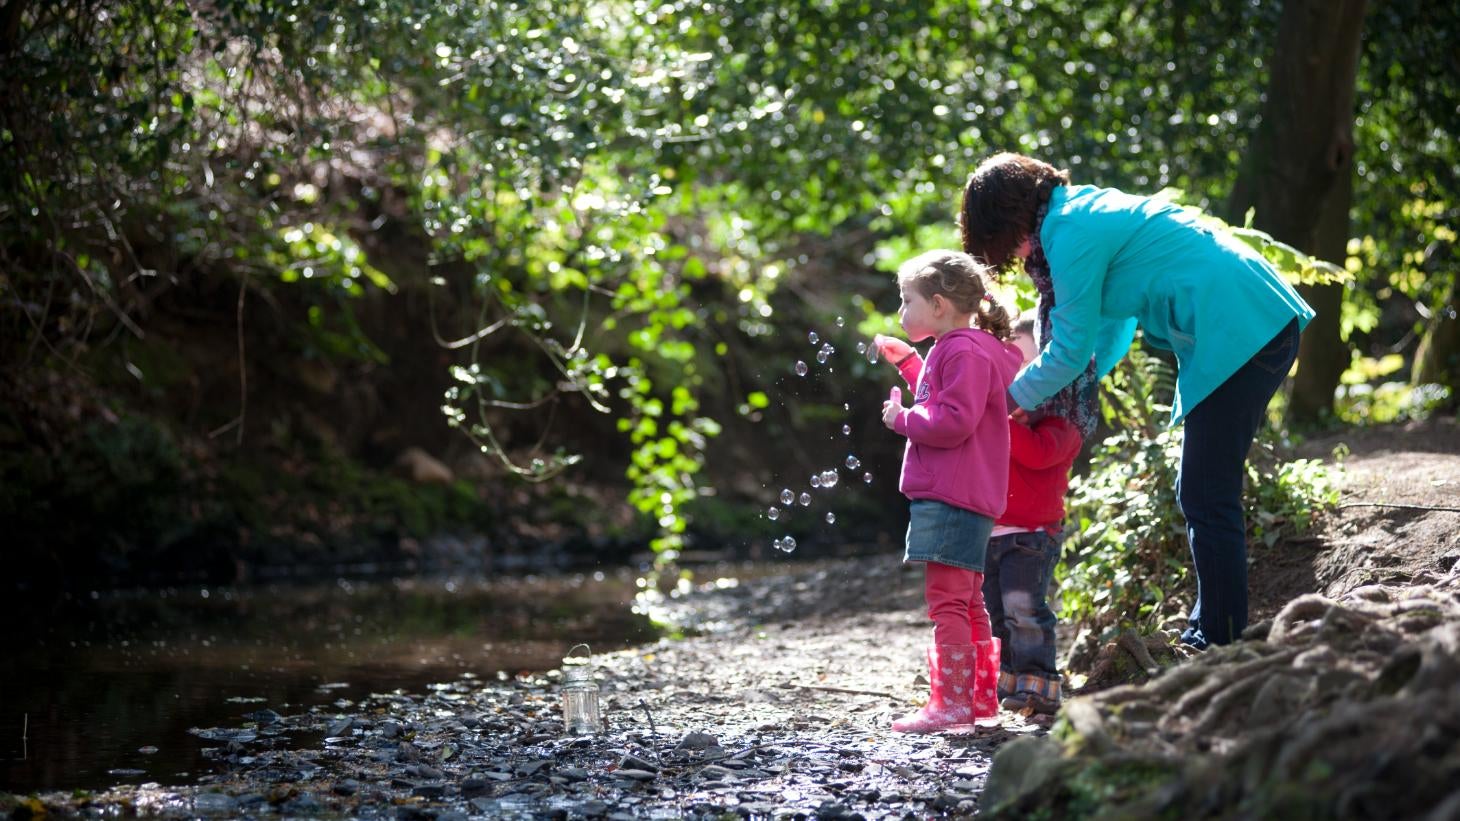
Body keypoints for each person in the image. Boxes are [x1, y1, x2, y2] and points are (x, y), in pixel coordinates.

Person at [959, 152, 1314, 649]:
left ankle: (1219, 639)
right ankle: (1210, 629)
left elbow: (1069, 349)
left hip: (1240, 324)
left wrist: (1004, 399)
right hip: (1243, 322)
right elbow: (1110, 330)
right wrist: (1048, 397)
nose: (1017, 257)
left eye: (1007, 244)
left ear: (1011, 216)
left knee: (1207, 494)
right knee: (1204, 491)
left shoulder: (1069, 232)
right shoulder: (1077, 214)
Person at [874, 249, 1022, 733]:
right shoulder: (966, 348)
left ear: (938, 304)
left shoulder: (960, 350)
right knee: (968, 599)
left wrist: (903, 421)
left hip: (950, 493)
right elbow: (947, 399)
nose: (901, 313)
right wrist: (910, 364)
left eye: (906, 301)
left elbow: (951, 421)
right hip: (968, 493)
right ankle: (978, 701)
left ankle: (951, 704)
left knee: (946, 601)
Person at [984, 314, 1083, 714]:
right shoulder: (1000, 420)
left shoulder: (1064, 423)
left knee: (1025, 610)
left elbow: (1041, 454)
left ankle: (1039, 685)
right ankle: (1007, 678)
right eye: (1012, 365)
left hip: (1032, 533)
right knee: (996, 610)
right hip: (991, 530)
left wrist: (1003, 420)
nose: (1019, 379)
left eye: (1030, 367)